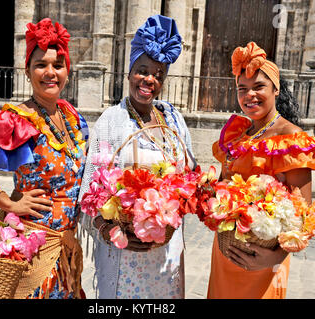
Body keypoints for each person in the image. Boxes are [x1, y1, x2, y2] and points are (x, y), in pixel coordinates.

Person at [0, 18, 89, 299]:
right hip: (32, 248)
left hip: (67, 248)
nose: (50, 73)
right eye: (41, 65)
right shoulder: (15, 119)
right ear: (27, 71)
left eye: (57, 66)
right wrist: (7, 201)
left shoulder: (72, 117)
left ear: (67, 72)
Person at [78, 15, 195, 299]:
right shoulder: (111, 121)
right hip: (123, 254)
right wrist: (109, 230)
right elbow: (90, 194)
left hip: (166, 253)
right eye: (142, 70)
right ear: (129, 72)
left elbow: (189, 174)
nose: (149, 80)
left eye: (158, 74)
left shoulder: (174, 119)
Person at [207, 42, 315, 299]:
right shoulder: (236, 135)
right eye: (242, 89)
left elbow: (303, 214)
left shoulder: (291, 139)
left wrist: (274, 256)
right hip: (225, 251)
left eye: (258, 87)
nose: (249, 95)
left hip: (262, 263)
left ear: (276, 89)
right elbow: (221, 186)